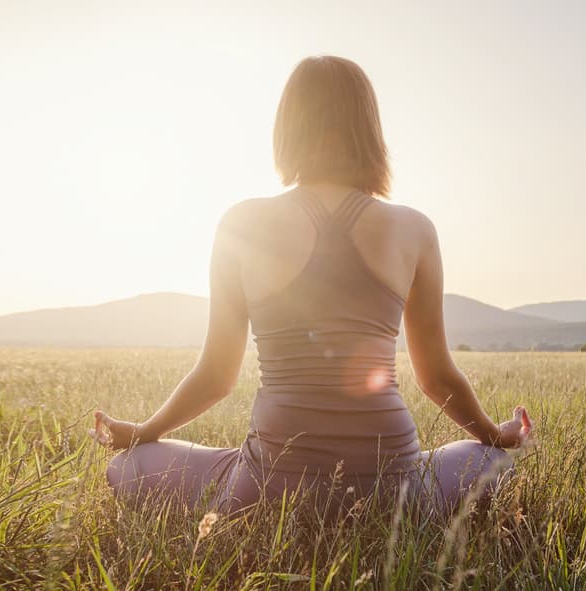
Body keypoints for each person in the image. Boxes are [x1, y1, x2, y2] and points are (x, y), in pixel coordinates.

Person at [89, 56, 534, 514]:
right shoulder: (414, 229)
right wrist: (496, 435)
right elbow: (436, 377)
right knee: (490, 460)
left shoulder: (241, 223)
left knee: (128, 466)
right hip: (393, 486)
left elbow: (216, 376)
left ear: (287, 128)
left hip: (269, 483)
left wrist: (143, 432)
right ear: (369, 129)